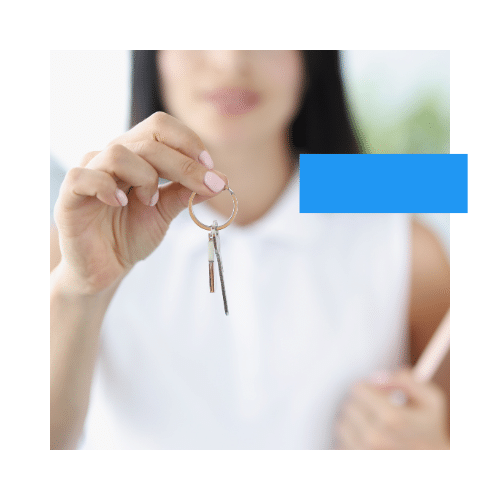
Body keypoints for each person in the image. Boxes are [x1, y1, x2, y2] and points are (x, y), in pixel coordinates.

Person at [50, 50, 450, 450]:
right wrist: (80, 289)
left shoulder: (400, 234)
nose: (230, 60)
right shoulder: (82, 238)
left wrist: (436, 452)